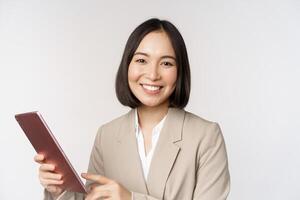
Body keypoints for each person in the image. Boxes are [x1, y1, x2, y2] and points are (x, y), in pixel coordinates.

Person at [34, 18, 230, 200]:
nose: (153, 74)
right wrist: (60, 190)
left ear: (180, 72)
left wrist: (130, 198)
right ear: (127, 65)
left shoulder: (206, 136)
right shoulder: (107, 135)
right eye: (142, 60)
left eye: (166, 63)